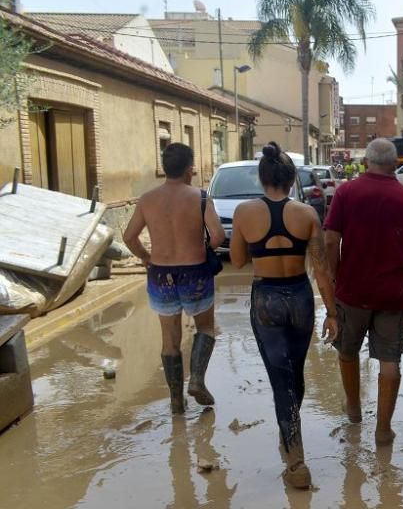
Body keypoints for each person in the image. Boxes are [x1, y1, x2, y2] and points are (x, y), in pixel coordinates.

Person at [229, 141, 337, 489]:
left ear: (262, 179)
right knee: (293, 374)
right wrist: (332, 313)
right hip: (301, 299)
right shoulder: (307, 214)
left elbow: (238, 260)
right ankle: (288, 428)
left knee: (281, 379)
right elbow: (321, 271)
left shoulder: (245, 212)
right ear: (292, 181)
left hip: (267, 299)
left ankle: (296, 462)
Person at [325, 138, 403, 446]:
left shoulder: (346, 192)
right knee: (389, 360)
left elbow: (330, 240)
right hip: (392, 294)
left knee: (347, 350)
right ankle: (383, 429)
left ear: (367, 161)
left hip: (352, 290)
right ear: (395, 163)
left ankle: (354, 410)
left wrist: (336, 274)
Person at [124, 142, 225, 415]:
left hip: (160, 274)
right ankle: (198, 380)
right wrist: (202, 249)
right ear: (189, 169)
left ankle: (175, 401)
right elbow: (218, 236)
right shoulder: (201, 197)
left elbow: (128, 237)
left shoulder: (147, 200)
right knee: (204, 328)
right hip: (195, 273)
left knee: (169, 340)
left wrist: (146, 257)